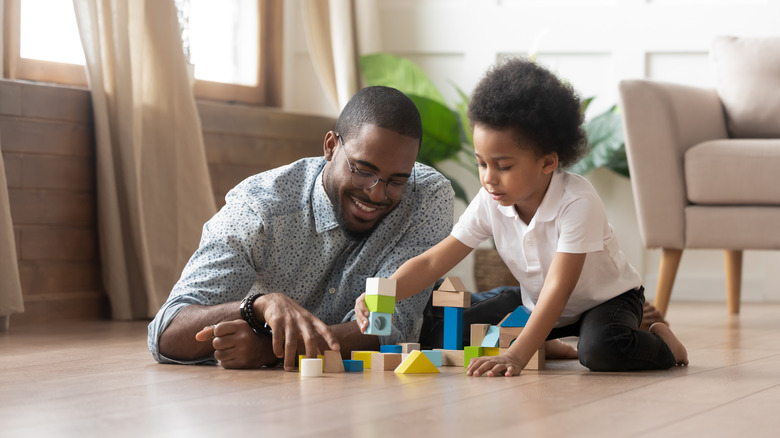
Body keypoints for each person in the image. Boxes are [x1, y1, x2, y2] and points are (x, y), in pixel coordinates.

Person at [355, 58, 688, 376]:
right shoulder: (491, 199)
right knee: (443, 335)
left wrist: (516, 354)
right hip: (536, 303)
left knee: (602, 350)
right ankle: (548, 343)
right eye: (481, 163)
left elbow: (559, 288)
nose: (488, 178)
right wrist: (382, 293)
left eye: (503, 166)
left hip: (604, 303)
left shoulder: (577, 201)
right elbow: (432, 263)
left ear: (547, 163)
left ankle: (665, 345)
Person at [148, 86, 455, 371]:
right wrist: (257, 307)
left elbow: (390, 325)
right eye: (363, 170)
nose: (376, 193)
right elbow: (165, 332)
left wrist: (274, 350)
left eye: (396, 181)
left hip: (434, 323)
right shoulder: (258, 209)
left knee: (496, 309)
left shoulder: (426, 197)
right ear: (331, 146)